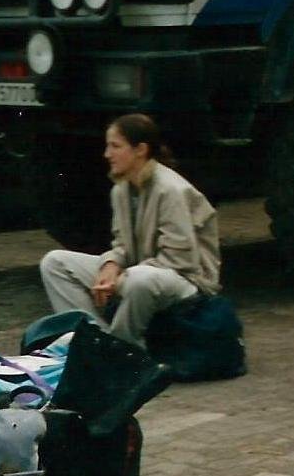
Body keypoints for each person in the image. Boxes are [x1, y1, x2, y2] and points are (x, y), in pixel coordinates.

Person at [39, 113, 221, 348]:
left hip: (188, 282)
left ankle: (122, 348)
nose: (107, 154)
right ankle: (95, 341)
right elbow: (122, 245)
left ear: (140, 150)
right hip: (142, 272)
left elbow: (181, 261)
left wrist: (121, 277)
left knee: (139, 279)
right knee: (54, 263)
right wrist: (110, 265)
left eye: (115, 146)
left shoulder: (171, 190)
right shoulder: (121, 189)